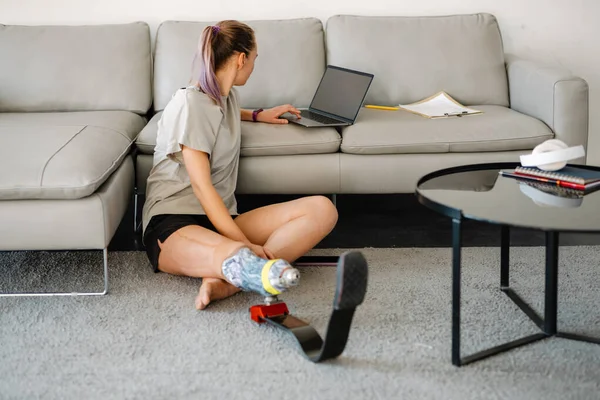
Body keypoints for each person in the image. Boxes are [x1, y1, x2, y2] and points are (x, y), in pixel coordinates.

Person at [141, 20, 338, 310]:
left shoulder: (225, 96)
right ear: (241, 58)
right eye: (255, 59)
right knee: (236, 251)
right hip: (174, 221)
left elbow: (219, 114)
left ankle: (228, 282)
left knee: (323, 209)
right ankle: (253, 269)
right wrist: (246, 243)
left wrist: (260, 115)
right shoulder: (191, 104)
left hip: (221, 218)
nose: (254, 65)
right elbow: (201, 186)